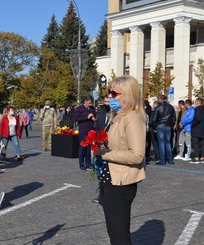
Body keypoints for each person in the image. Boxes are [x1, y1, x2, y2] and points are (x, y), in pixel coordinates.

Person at [95, 75, 146, 244]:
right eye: (109, 92)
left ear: (128, 95)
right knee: (113, 232)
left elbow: (137, 155)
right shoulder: (116, 115)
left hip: (121, 183)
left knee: (119, 235)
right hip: (109, 178)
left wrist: (104, 154)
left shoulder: (133, 118)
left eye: (113, 93)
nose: (109, 96)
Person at [150, 94, 176, 165]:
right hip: (168, 125)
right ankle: (170, 160)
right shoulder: (171, 107)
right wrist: (171, 125)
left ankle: (162, 160)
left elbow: (154, 119)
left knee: (161, 143)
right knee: (168, 142)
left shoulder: (158, 107)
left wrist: (154, 126)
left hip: (160, 125)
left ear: (159, 99)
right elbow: (174, 118)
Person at [75, 95, 97, 170]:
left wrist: (94, 118)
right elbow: (76, 119)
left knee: (89, 148)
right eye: (89, 102)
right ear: (85, 101)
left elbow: (95, 117)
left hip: (90, 130)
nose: (91, 104)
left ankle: (88, 164)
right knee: (82, 148)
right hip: (83, 130)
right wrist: (86, 117)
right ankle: (81, 165)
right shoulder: (79, 109)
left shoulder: (92, 109)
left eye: (91, 103)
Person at [191, 97, 204, 163]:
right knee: (202, 143)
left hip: (197, 128)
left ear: (198, 102)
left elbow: (198, 118)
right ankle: (202, 157)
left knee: (195, 143)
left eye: (195, 101)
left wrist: (193, 124)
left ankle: (196, 157)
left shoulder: (198, 109)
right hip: (203, 129)